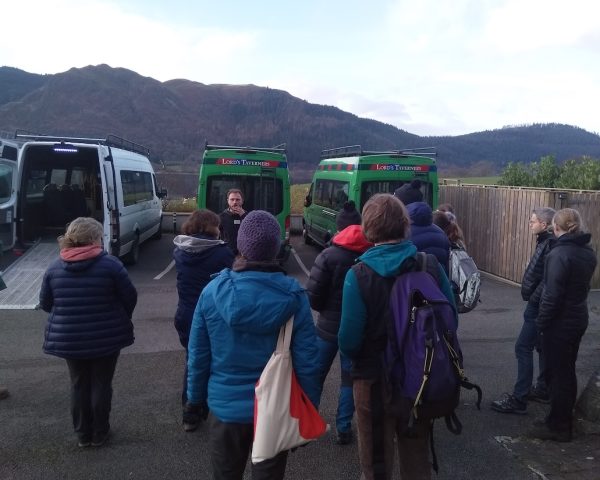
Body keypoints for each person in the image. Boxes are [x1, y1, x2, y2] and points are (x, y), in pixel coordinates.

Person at [186, 210, 320, 480]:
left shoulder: (212, 292)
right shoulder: (294, 296)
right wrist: (307, 411)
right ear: (276, 249)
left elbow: (198, 356)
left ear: (240, 246)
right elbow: (308, 362)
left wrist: (194, 400)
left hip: (224, 408)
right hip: (275, 409)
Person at [339, 194, 456, 480]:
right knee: (417, 457)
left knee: (376, 461)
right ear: (405, 225)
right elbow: (450, 320)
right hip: (421, 376)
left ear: (368, 228)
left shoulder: (359, 275)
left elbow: (349, 340)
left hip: (373, 378)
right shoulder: (429, 265)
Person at [39, 217, 137, 448]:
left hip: (69, 339)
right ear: (94, 238)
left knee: (78, 384)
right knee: (102, 384)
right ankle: (100, 433)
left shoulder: (54, 267)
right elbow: (129, 297)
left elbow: (45, 303)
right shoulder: (111, 265)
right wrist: (119, 317)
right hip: (106, 337)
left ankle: (83, 435)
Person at [306, 200, 373, 445]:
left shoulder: (328, 254)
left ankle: (308, 423)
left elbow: (313, 296)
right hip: (356, 330)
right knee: (349, 379)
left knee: (315, 375)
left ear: (339, 227)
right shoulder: (370, 254)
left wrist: (325, 309)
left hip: (326, 328)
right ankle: (343, 427)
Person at [527, 208, 597, 442]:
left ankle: (558, 426)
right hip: (578, 317)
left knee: (559, 375)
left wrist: (541, 323)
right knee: (566, 371)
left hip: (560, 322)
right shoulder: (587, 253)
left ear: (555, 228)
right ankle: (558, 420)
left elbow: (552, 294)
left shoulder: (558, 255)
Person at [173, 209, 234, 432]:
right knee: (212, 362)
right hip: (213, 315)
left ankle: (190, 413)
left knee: (193, 361)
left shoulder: (180, 251)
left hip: (186, 313)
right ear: (211, 227)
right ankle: (205, 407)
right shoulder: (221, 254)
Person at [491, 207, 555, 415]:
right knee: (541, 347)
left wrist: (534, 298)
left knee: (523, 348)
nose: (530, 224)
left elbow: (546, 280)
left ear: (544, 225)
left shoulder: (548, 244)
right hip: (540, 305)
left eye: (532, 221)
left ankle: (519, 398)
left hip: (538, 307)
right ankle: (543, 390)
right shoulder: (547, 242)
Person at [394, 180, 450, 274]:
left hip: (411, 287)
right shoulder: (441, 233)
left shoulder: (401, 233)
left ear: (402, 205)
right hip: (437, 285)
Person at [219, 188, 247, 255]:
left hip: (245, 256)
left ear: (242, 201)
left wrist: (244, 215)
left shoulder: (249, 217)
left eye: (237, 200)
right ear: (228, 201)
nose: (235, 202)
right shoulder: (221, 217)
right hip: (227, 254)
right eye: (232, 199)